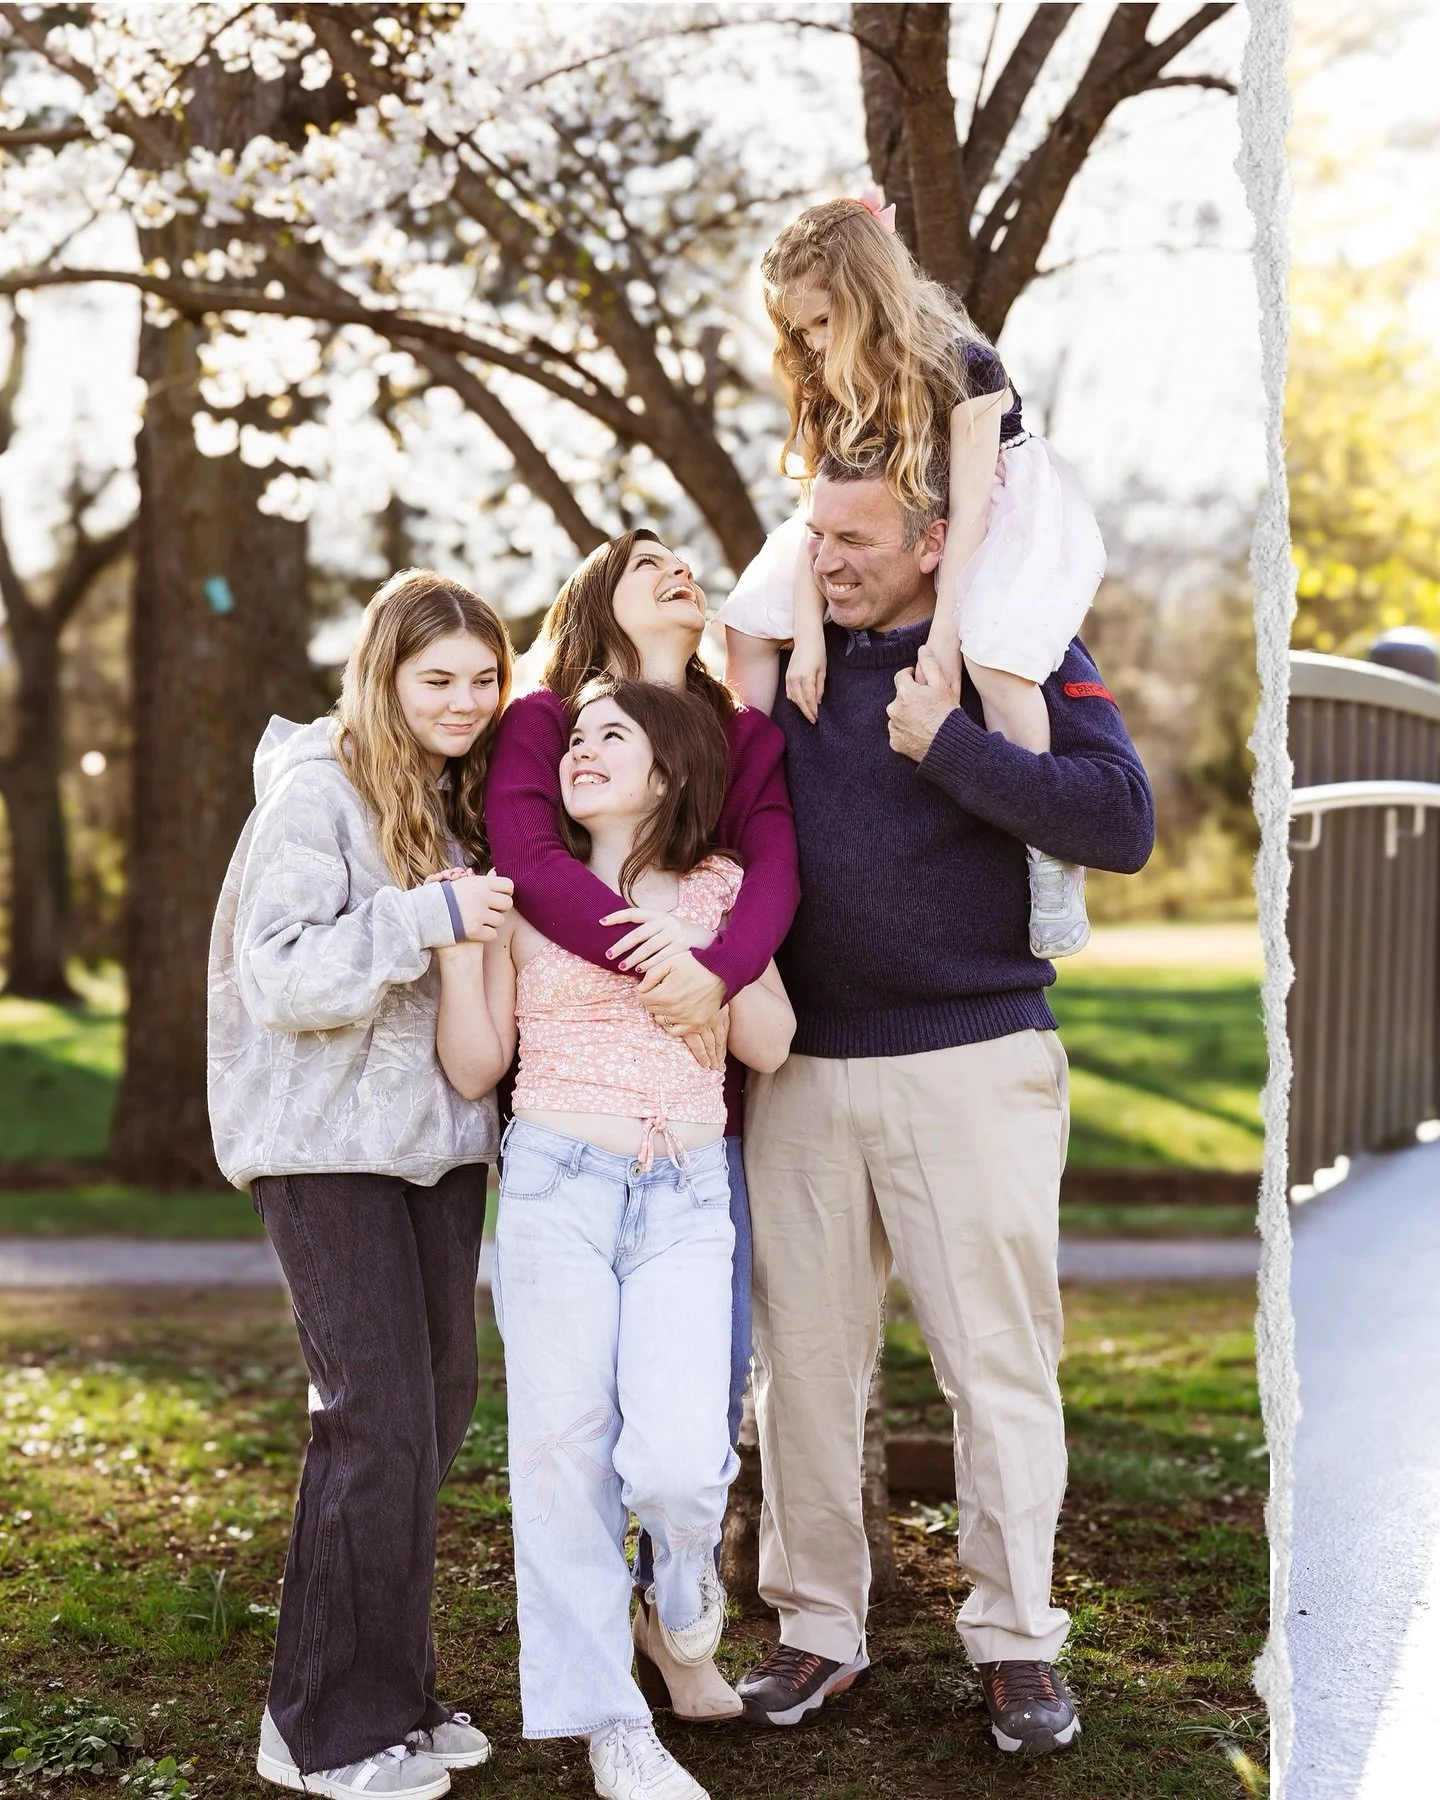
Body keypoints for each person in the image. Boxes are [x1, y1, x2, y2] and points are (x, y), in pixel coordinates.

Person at [733, 447, 1154, 1758]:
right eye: (816, 535)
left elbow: (1122, 817)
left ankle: (1019, 1641)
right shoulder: (786, 666)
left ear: (933, 543)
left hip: (974, 1060)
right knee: (799, 1373)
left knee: (997, 1369)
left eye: (856, 537)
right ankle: (818, 1631)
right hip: (798, 1072)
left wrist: (950, 744)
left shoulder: (1014, 645)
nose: (831, 557)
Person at [435, 678, 796, 1800]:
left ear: (671, 771)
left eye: (613, 737)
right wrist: (457, 953)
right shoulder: (523, 895)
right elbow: (475, 1066)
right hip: (556, 1187)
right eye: (576, 735)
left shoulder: (725, 887)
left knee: (681, 1465)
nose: (582, 749)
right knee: (562, 1460)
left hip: (688, 1195)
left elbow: (774, 1044)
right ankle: (613, 1728)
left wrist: (705, 971)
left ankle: (683, 1592)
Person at [207, 570, 516, 1800]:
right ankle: (320, 1728)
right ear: (383, 675)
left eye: (485, 680)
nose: (465, 701)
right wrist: (420, 918)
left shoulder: (450, 802)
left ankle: (394, 1691)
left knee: (428, 1421)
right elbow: (280, 975)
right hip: (323, 1149)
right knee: (373, 1419)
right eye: (438, 679)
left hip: (434, 1153)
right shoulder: (313, 793)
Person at [714, 194, 1107, 961]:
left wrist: (951, 633)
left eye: (824, 322)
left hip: (986, 511)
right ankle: (738, 809)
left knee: (1000, 654)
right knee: (746, 621)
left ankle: (1050, 859)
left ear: (868, 300)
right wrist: (807, 637)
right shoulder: (833, 382)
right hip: (881, 515)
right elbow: (816, 510)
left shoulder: (962, 364)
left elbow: (969, 512)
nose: (813, 342)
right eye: (801, 330)